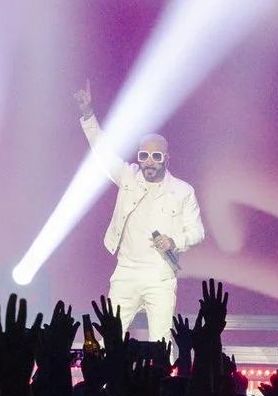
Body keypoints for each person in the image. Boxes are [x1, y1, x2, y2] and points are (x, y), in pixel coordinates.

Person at [78, 81, 204, 337]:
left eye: (156, 157)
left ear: (166, 159)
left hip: (160, 275)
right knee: (111, 337)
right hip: (126, 271)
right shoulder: (128, 177)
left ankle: (162, 367)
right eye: (144, 155)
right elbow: (102, 153)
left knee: (161, 341)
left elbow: (197, 232)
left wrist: (174, 241)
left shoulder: (183, 191)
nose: (149, 162)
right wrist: (88, 114)